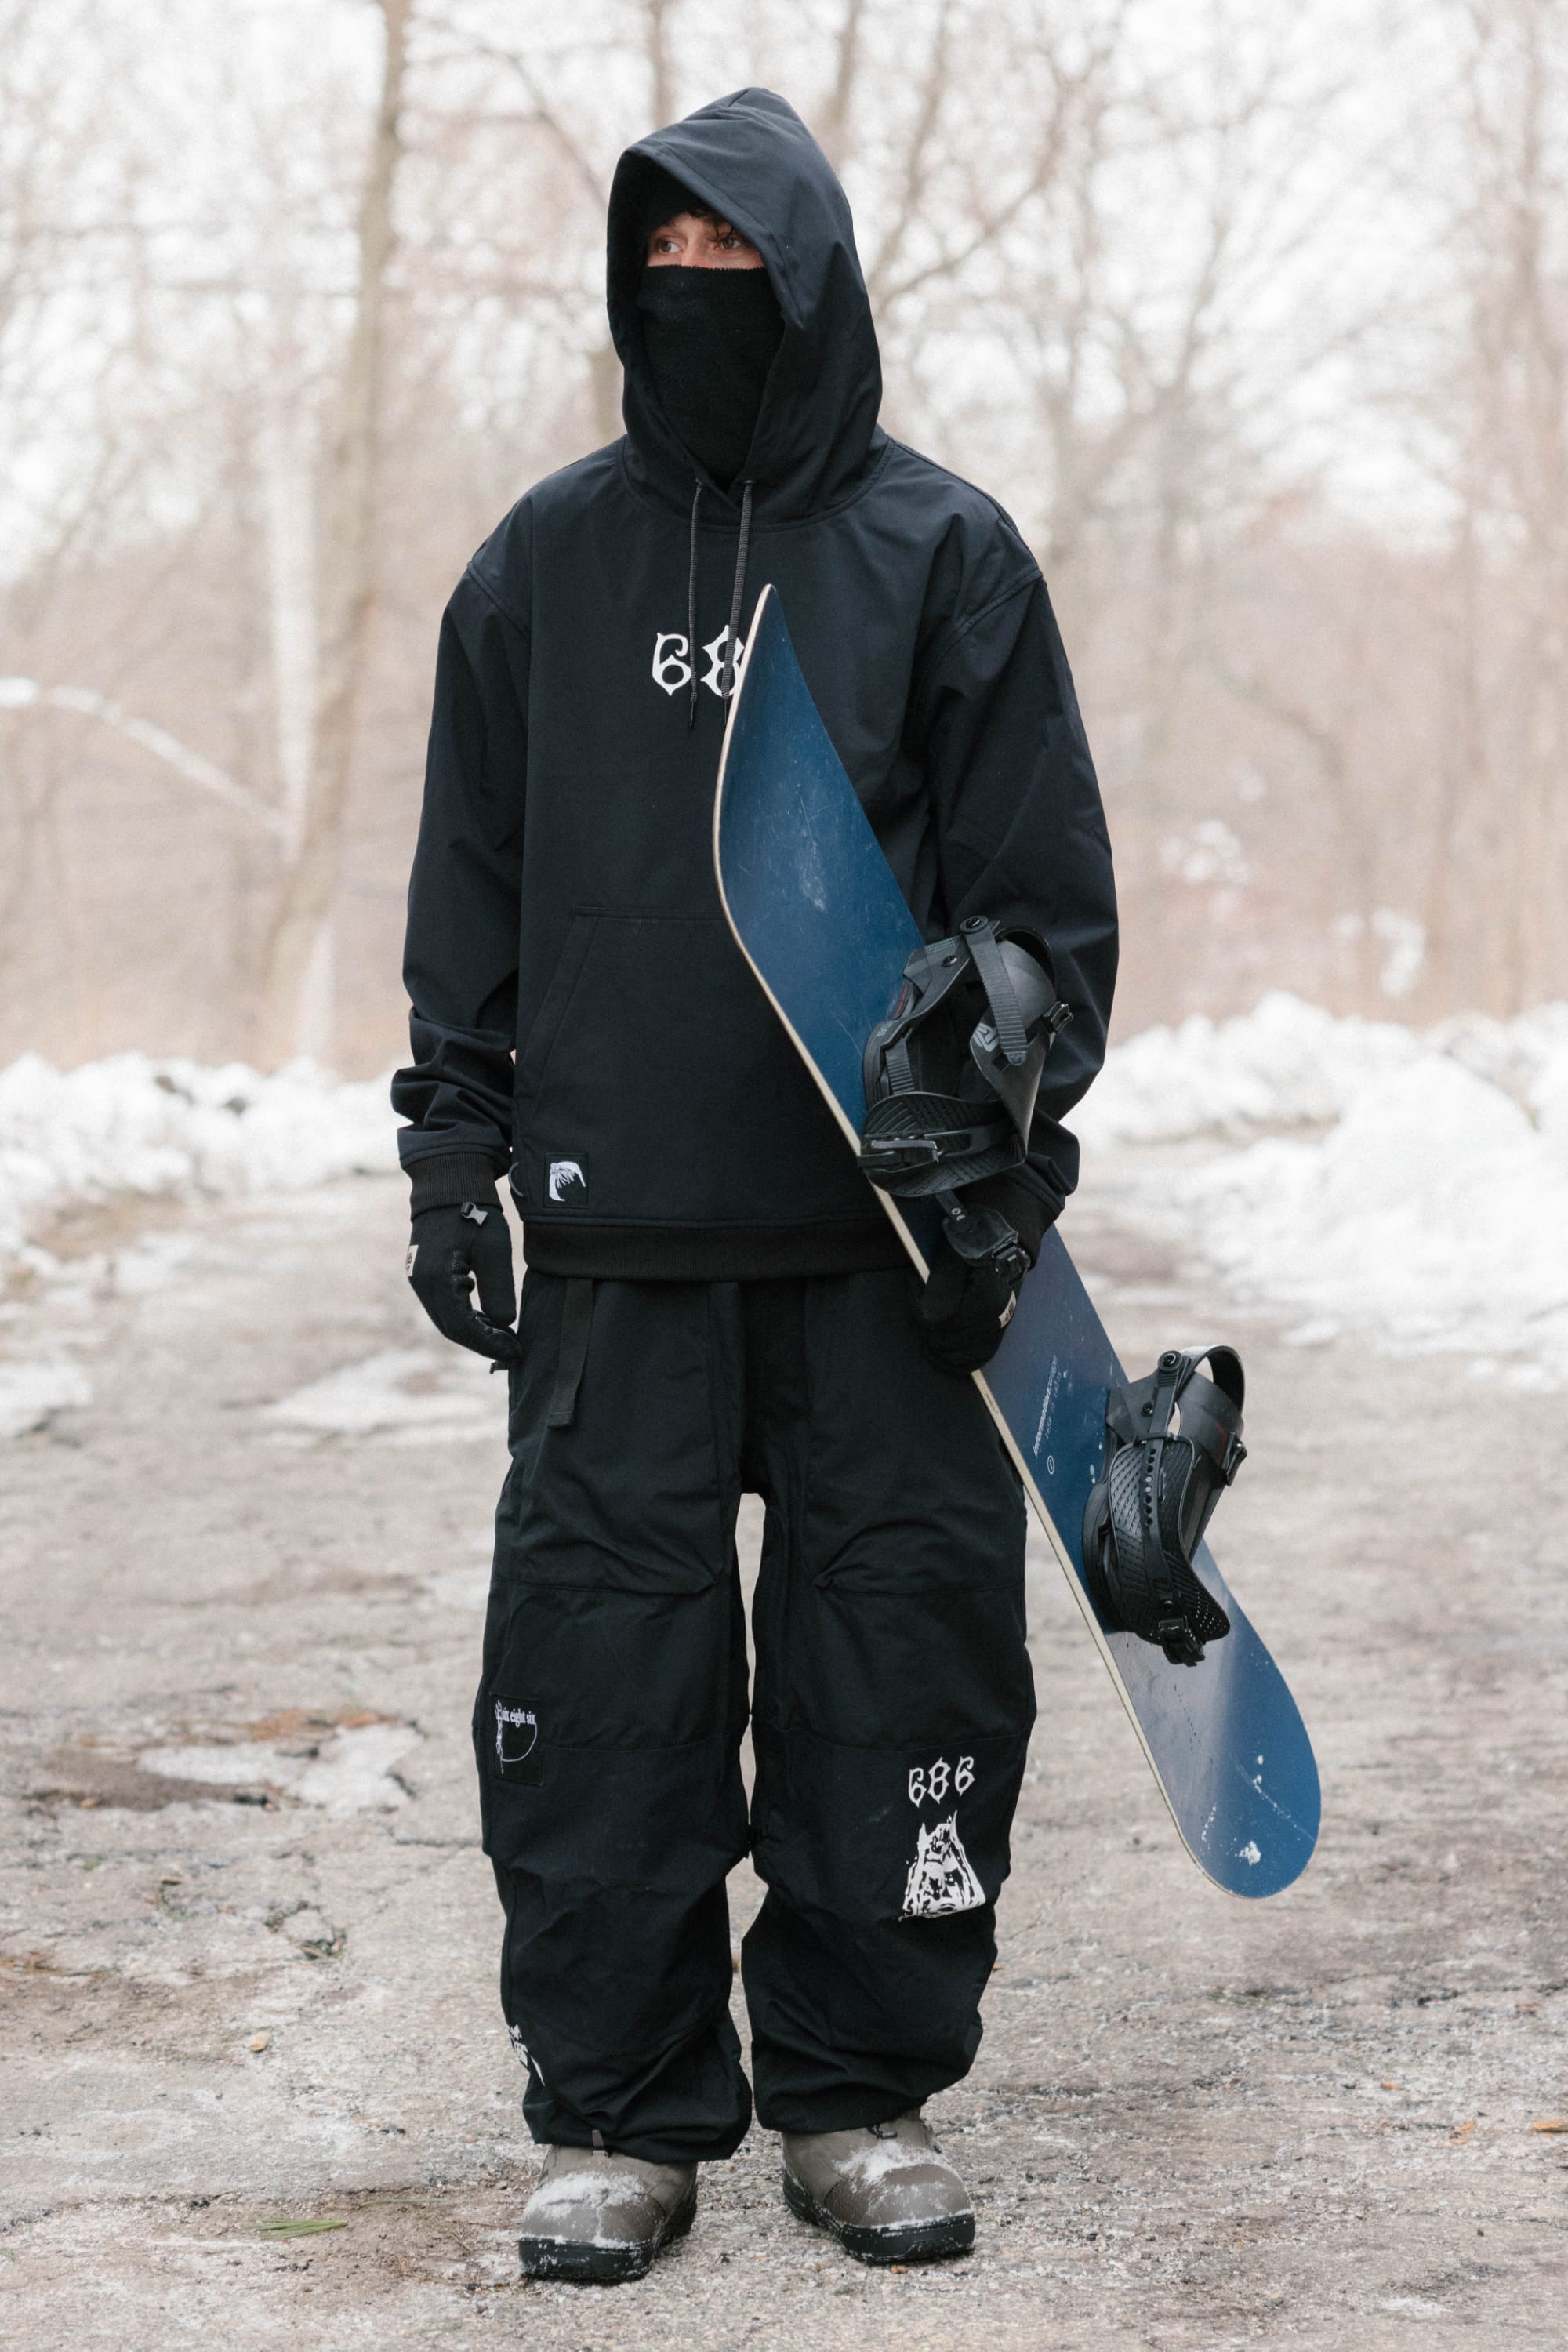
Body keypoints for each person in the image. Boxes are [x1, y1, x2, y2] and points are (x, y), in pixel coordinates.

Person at [393, 87, 1116, 2287]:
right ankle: (621, 2114)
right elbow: (473, 885)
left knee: (901, 1673)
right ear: (629, 289)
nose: (699, 303)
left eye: (740, 268)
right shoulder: (547, 563)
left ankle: (856, 2089)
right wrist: (454, 1138)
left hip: (884, 1255)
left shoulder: (943, 556)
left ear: (817, 284)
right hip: (620, 1235)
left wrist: (986, 1043)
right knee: (598, 1679)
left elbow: (1049, 912)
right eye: (664, 269)